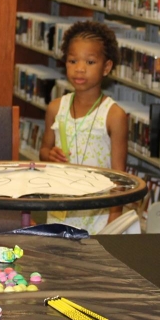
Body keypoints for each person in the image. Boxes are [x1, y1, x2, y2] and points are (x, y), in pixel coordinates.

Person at [39, 20, 129, 233]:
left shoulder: (114, 115)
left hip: (98, 214)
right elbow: (43, 151)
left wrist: (113, 221)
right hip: (60, 207)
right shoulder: (55, 108)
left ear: (106, 67)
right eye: (72, 61)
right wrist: (49, 155)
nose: (80, 69)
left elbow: (120, 177)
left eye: (90, 62)